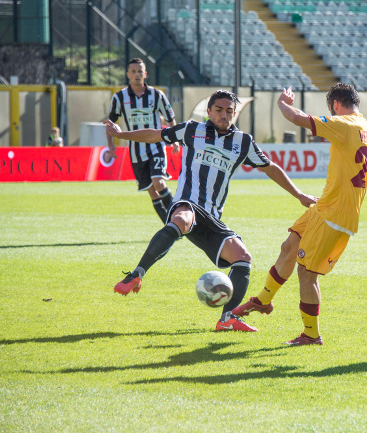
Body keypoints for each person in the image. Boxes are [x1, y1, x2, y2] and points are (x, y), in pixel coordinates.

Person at [232, 84, 367, 345]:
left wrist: (282, 102)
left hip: (335, 214)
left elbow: (296, 118)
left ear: (336, 104)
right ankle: (263, 301)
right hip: (324, 208)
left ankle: (311, 335)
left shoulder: (343, 124)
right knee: (289, 246)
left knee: (307, 273)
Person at [105, 90, 317, 332]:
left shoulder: (243, 142)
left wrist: (299, 195)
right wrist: (121, 134)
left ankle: (227, 319)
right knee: (182, 218)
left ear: (234, 114)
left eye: (229, 111)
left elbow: (270, 168)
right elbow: (155, 134)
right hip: (188, 203)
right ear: (209, 111)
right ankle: (136, 275)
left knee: (243, 258)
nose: (224, 115)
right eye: (218, 110)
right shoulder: (191, 130)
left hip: (212, 217)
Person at [106, 57, 180, 224]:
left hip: (156, 145)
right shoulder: (119, 98)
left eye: (140, 71)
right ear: (128, 75)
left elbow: (170, 117)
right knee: (152, 191)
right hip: (136, 152)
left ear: (145, 74)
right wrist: (110, 144)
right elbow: (110, 123)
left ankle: (179, 217)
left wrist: (174, 139)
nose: (137, 74)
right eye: (133, 71)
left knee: (158, 181)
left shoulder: (157, 95)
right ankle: (170, 226)